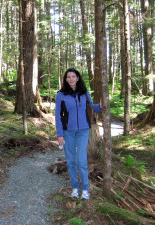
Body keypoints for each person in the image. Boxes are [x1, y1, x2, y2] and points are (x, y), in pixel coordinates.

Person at [55, 68, 102, 200]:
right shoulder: (61, 95)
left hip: (83, 130)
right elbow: (58, 116)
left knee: (81, 161)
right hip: (67, 132)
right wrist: (60, 134)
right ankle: (75, 188)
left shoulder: (84, 92)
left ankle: (85, 189)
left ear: (78, 78)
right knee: (70, 162)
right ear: (65, 79)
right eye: (68, 77)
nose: (71, 79)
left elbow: (92, 106)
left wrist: (101, 106)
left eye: (73, 76)